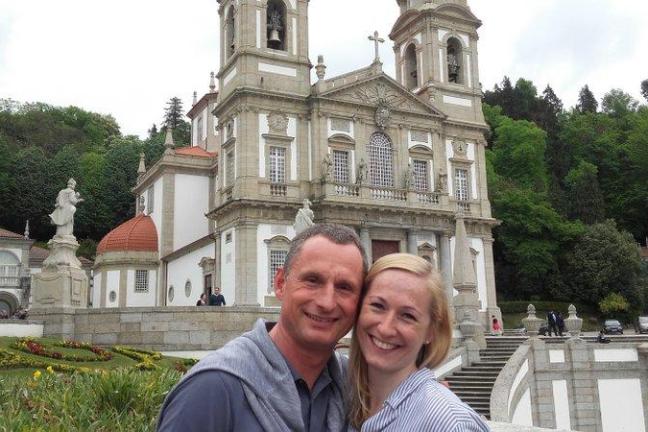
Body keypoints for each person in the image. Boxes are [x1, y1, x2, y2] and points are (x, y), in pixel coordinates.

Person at [157, 224, 367, 431]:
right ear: (280, 283)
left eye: (344, 287)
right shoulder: (212, 389)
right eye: (312, 280)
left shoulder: (358, 387)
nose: (327, 302)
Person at [348, 253, 489, 431]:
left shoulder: (449, 424)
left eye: (408, 316)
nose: (385, 328)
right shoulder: (343, 395)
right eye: (377, 306)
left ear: (431, 332)